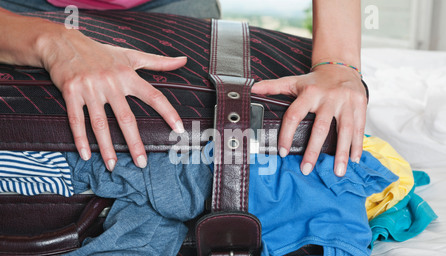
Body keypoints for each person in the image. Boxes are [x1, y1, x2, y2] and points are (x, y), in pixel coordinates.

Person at [0, 0, 367, 177]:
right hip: (20, 12)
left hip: (171, 10)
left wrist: (338, 63)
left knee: (191, 139)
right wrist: (53, 43)